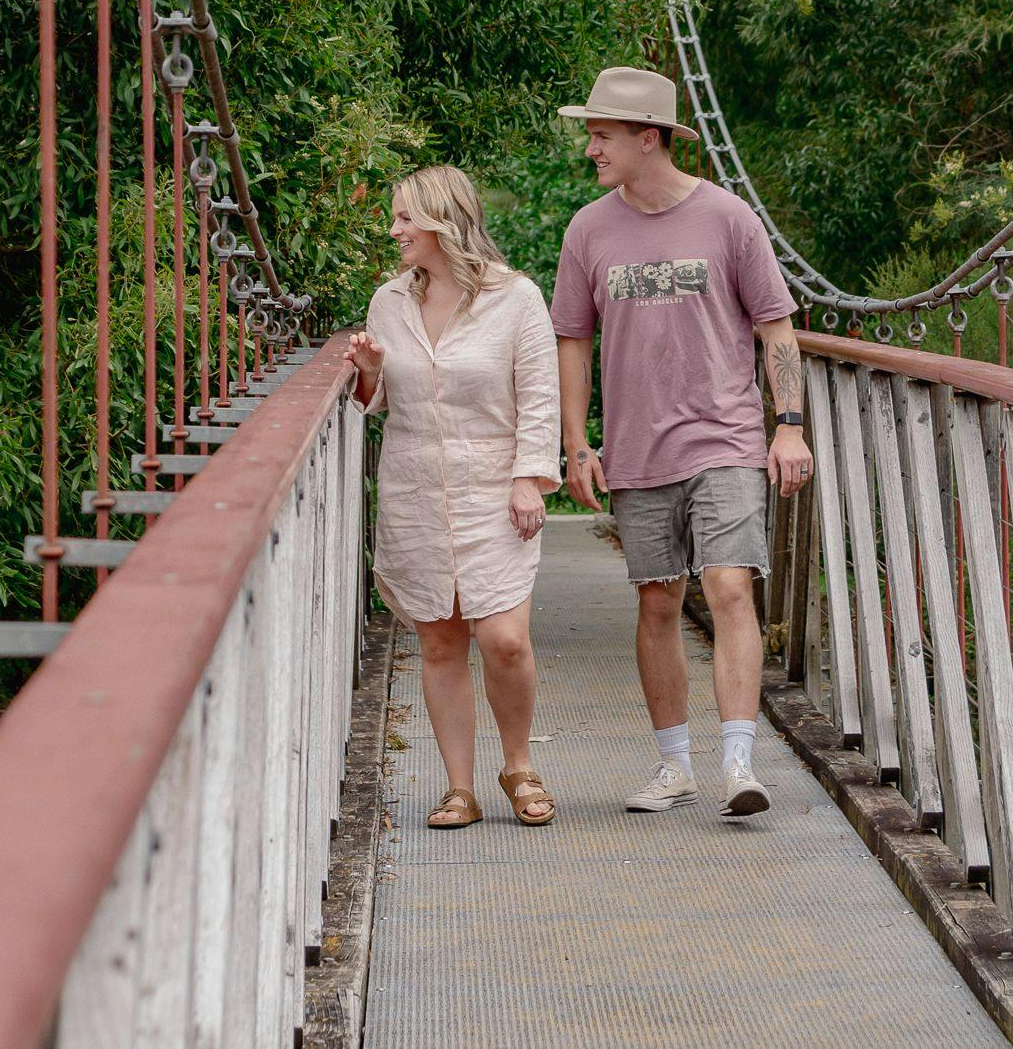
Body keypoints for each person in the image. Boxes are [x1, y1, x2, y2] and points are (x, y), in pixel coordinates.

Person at [548, 66, 815, 818]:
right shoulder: (588, 229)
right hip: (638, 447)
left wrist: (787, 426)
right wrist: (577, 443)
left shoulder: (729, 219)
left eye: (602, 134)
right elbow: (572, 337)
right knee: (658, 601)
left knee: (730, 587)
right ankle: (675, 766)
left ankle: (737, 762)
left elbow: (775, 327)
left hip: (724, 437)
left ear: (649, 137)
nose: (592, 147)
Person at [344, 165, 563, 828]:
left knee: (504, 639)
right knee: (440, 642)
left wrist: (530, 477)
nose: (395, 230)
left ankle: (519, 762)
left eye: (406, 217)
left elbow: (540, 395)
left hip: (495, 494)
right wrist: (371, 375)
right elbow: (375, 405)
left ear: (443, 219)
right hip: (415, 493)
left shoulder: (516, 298)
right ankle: (459, 787)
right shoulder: (389, 302)